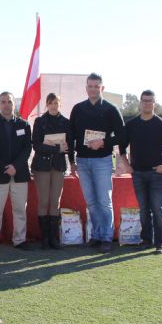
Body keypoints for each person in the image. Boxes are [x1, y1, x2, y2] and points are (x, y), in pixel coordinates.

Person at [69, 73, 125, 253]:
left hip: (102, 161)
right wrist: (71, 161)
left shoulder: (111, 109)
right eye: (90, 86)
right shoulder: (77, 109)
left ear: (102, 88)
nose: (93, 89)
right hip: (83, 161)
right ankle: (97, 235)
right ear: (86, 88)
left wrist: (103, 143)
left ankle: (107, 237)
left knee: (104, 200)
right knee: (91, 201)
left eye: (96, 86)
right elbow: (71, 137)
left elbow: (122, 135)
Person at [119, 90, 162, 254]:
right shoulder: (131, 125)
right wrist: (127, 165)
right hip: (137, 173)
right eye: (144, 101)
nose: (147, 103)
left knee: (157, 208)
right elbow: (122, 147)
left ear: (154, 103)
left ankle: (160, 242)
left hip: (156, 174)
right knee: (143, 209)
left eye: (150, 101)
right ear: (140, 102)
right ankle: (146, 239)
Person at [0, 92, 32, 251]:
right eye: (3, 102)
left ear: (13, 104)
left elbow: (27, 148)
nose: (6, 105)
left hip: (20, 173)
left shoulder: (24, 125)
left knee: (20, 209)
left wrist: (15, 166)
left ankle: (20, 239)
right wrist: (5, 167)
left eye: (9, 101)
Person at [30, 93, 74, 249]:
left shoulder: (66, 122)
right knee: (43, 201)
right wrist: (57, 148)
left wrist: (72, 162)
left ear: (60, 104)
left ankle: (53, 238)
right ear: (46, 105)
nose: (53, 106)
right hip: (41, 167)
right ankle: (44, 238)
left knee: (55, 202)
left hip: (59, 166)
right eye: (50, 103)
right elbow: (36, 145)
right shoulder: (40, 121)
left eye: (56, 103)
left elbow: (70, 146)